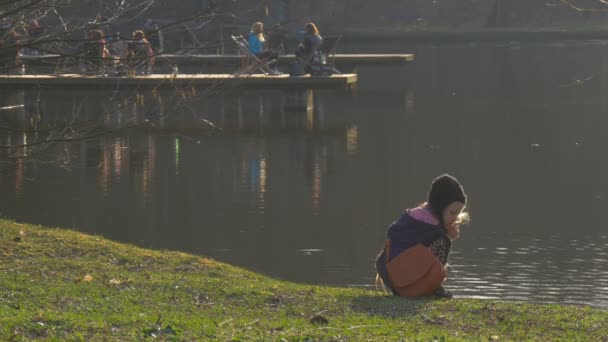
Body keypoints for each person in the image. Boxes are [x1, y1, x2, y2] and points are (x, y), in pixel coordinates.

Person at [375, 174, 470, 299]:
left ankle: (408, 288)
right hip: (402, 276)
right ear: (440, 207)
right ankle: (433, 288)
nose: (454, 218)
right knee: (443, 242)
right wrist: (447, 235)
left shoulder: (415, 215)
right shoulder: (434, 228)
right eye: (452, 213)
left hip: (387, 272)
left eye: (458, 214)